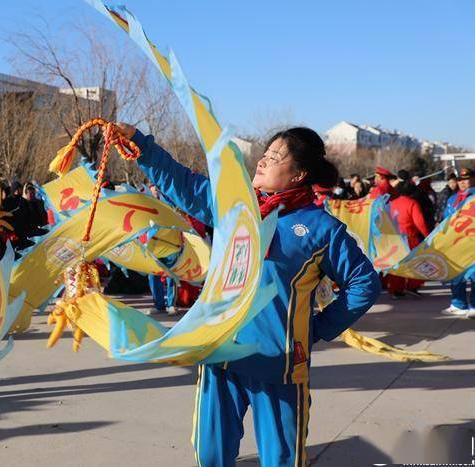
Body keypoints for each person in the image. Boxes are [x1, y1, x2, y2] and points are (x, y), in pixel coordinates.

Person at [115, 123, 381, 467]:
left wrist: (317, 327)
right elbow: (182, 183)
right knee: (210, 454)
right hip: (220, 352)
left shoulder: (320, 228)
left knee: (281, 459)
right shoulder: (235, 207)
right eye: (265, 154)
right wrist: (139, 143)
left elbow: (364, 283)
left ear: (298, 174)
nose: (262, 162)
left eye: (274, 157)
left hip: (277, 364)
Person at [385, 181, 431, 299]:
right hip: (409, 238)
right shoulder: (412, 203)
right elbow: (419, 222)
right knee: (414, 263)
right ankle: (412, 286)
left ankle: (396, 290)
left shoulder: (391, 203)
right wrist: (427, 235)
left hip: (394, 239)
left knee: (396, 265)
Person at [442, 168, 475, 317]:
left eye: (466, 179)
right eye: (460, 180)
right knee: (456, 274)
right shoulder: (453, 199)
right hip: (455, 243)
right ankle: (458, 303)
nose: (462, 182)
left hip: (472, 242)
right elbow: (445, 221)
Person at [144, 184, 178, 316]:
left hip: (170, 244)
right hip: (154, 245)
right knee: (153, 275)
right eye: (153, 187)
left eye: (158, 187)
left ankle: (172, 304)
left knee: (171, 275)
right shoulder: (147, 203)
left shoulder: (169, 202)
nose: (156, 189)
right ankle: (159, 305)